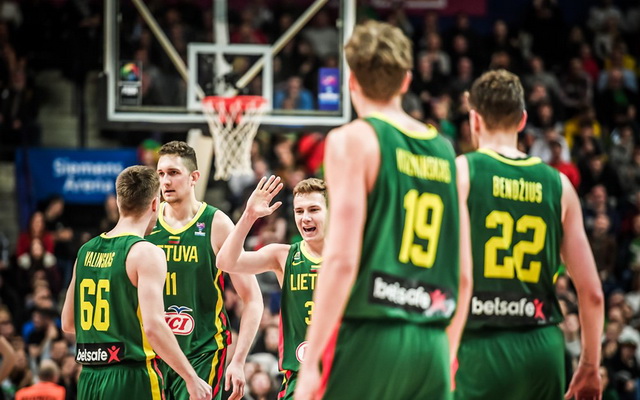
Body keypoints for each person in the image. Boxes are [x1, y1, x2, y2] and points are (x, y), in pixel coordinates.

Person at [294, 20, 471, 400]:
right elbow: (464, 276)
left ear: (351, 81)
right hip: (432, 342)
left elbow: (341, 260)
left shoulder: (352, 140)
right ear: (406, 81)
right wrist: (448, 350)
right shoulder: (446, 151)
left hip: (370, 337)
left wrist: (310, 365)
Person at [452, 70, 604, 400]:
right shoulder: (559, 185)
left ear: (474, 119)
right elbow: (592, 292)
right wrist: (590, 364)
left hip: (479, 345)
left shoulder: (461, 172)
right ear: (522, 120)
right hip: (542, 348)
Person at [61, 165, 211, 400]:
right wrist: (191, 377)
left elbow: (68, 322)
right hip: (131, 377)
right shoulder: (146, 252)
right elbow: (153, 326)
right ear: (155, 204)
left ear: (119, 202)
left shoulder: (85, 251)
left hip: (89, 378)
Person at [147, 141, 263, 400]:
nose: (165, 181)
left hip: (202, 351)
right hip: (152, 353)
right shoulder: (146, 222)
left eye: (174, 173)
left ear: (194, 177)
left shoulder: (217, 223)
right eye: (161, 174)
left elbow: (252, 298)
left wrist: (239, 360)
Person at [216, 177, 326, 399]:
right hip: (299, 377)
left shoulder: (352, 258)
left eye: (314, 209)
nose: (305, 217)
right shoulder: (283, 255)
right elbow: (225, 262)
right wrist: (249, 216)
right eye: (299, 211)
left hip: (344, 372)